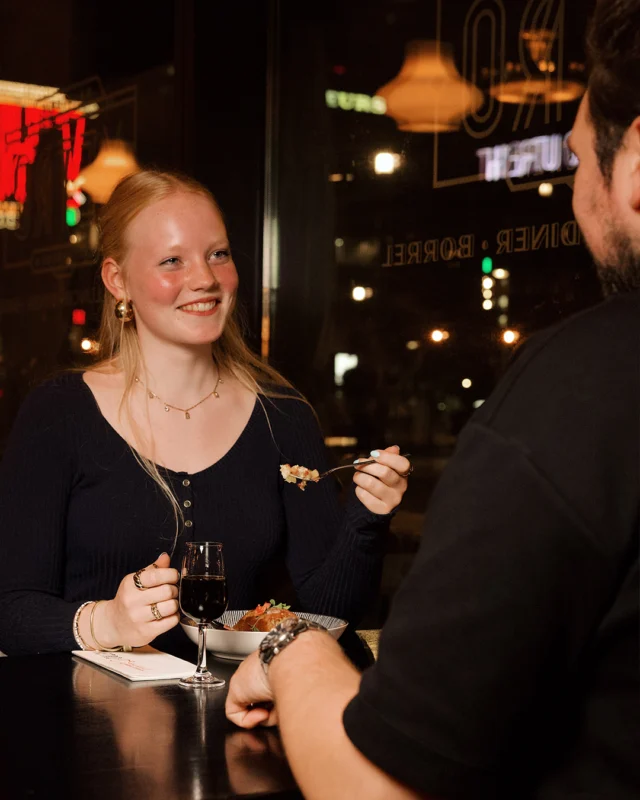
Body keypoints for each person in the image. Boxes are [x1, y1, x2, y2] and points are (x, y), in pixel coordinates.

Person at [225, 3, 640, 798]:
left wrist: (290, 648)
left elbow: (373, 787)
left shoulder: (589, 381)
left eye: (582, 158)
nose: (573, 190)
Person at [0, 170, 410, 658]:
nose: (206, 279)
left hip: (244, 719)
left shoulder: (284, 416)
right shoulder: (59, 412)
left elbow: (332, 612)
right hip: (89, 723)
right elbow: (11, 611)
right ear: (117, 280)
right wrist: (104, 621)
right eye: (172, 260)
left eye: (218, 254)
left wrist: (368, 516)